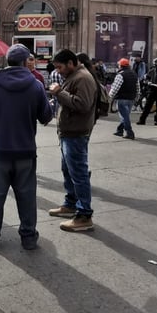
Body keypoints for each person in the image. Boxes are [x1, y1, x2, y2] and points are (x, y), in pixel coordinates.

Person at [0, 44, 52, 250]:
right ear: (25, 61)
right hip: (25, 150)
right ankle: (28, 236)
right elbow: (46, 116)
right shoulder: (35, 85)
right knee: (27, 195)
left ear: (6, 61)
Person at [47, 49, 98, 232]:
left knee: (78, 173)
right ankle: (70, 204)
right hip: (69, 132)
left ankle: (84, 214)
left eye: (60, 67)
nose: (58, 71)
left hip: (76, 133)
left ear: (70, 63)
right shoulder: (75, 76)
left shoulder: (82, 78)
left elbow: (82, 105)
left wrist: (59, 92)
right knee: (68, 171)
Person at [108, 58, 137, 140]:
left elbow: (115, 88)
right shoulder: (134, 74)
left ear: (120, 66)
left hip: (122, 98)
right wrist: (137, 97)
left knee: (124, 116)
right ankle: (120, 130)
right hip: (131, 98)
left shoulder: (120, 75)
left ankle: (129, 132)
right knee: (125, 115)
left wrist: (109, 97)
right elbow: (138, 87)